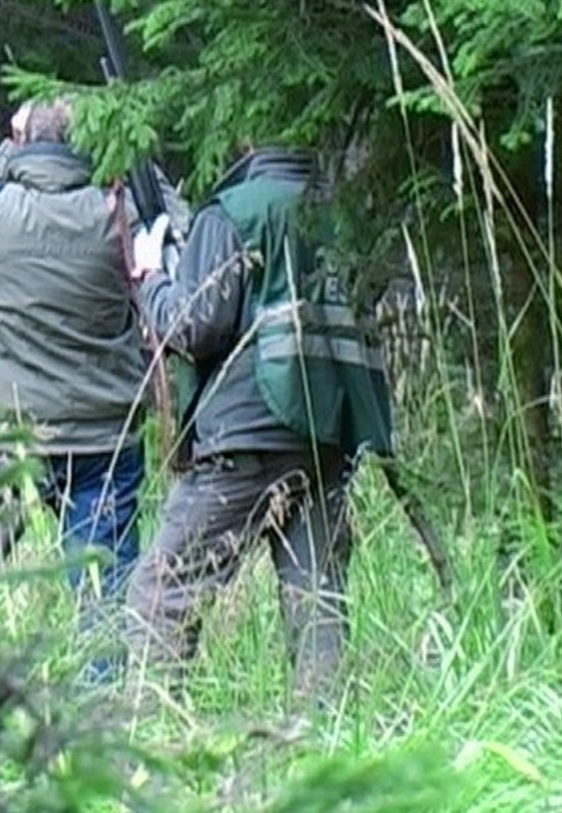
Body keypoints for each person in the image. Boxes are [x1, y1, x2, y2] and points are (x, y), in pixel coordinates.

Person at [123, 143, 393, 706]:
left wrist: (150, 278)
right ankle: (328, 736)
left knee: (162, 592)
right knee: (316, 598)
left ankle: (148, 734)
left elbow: (195, 328)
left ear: (244, 145)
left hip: (245, 438)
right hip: (326, 437)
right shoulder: (337, 212)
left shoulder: (235, 211)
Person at [0, 99, 159, 656]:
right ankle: (110, 713)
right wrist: (128, 154)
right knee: (104, 594)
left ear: (23, 142)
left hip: (4, 435)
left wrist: (6, 152)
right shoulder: (116, 215)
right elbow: (170, 226)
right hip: (102, 436)